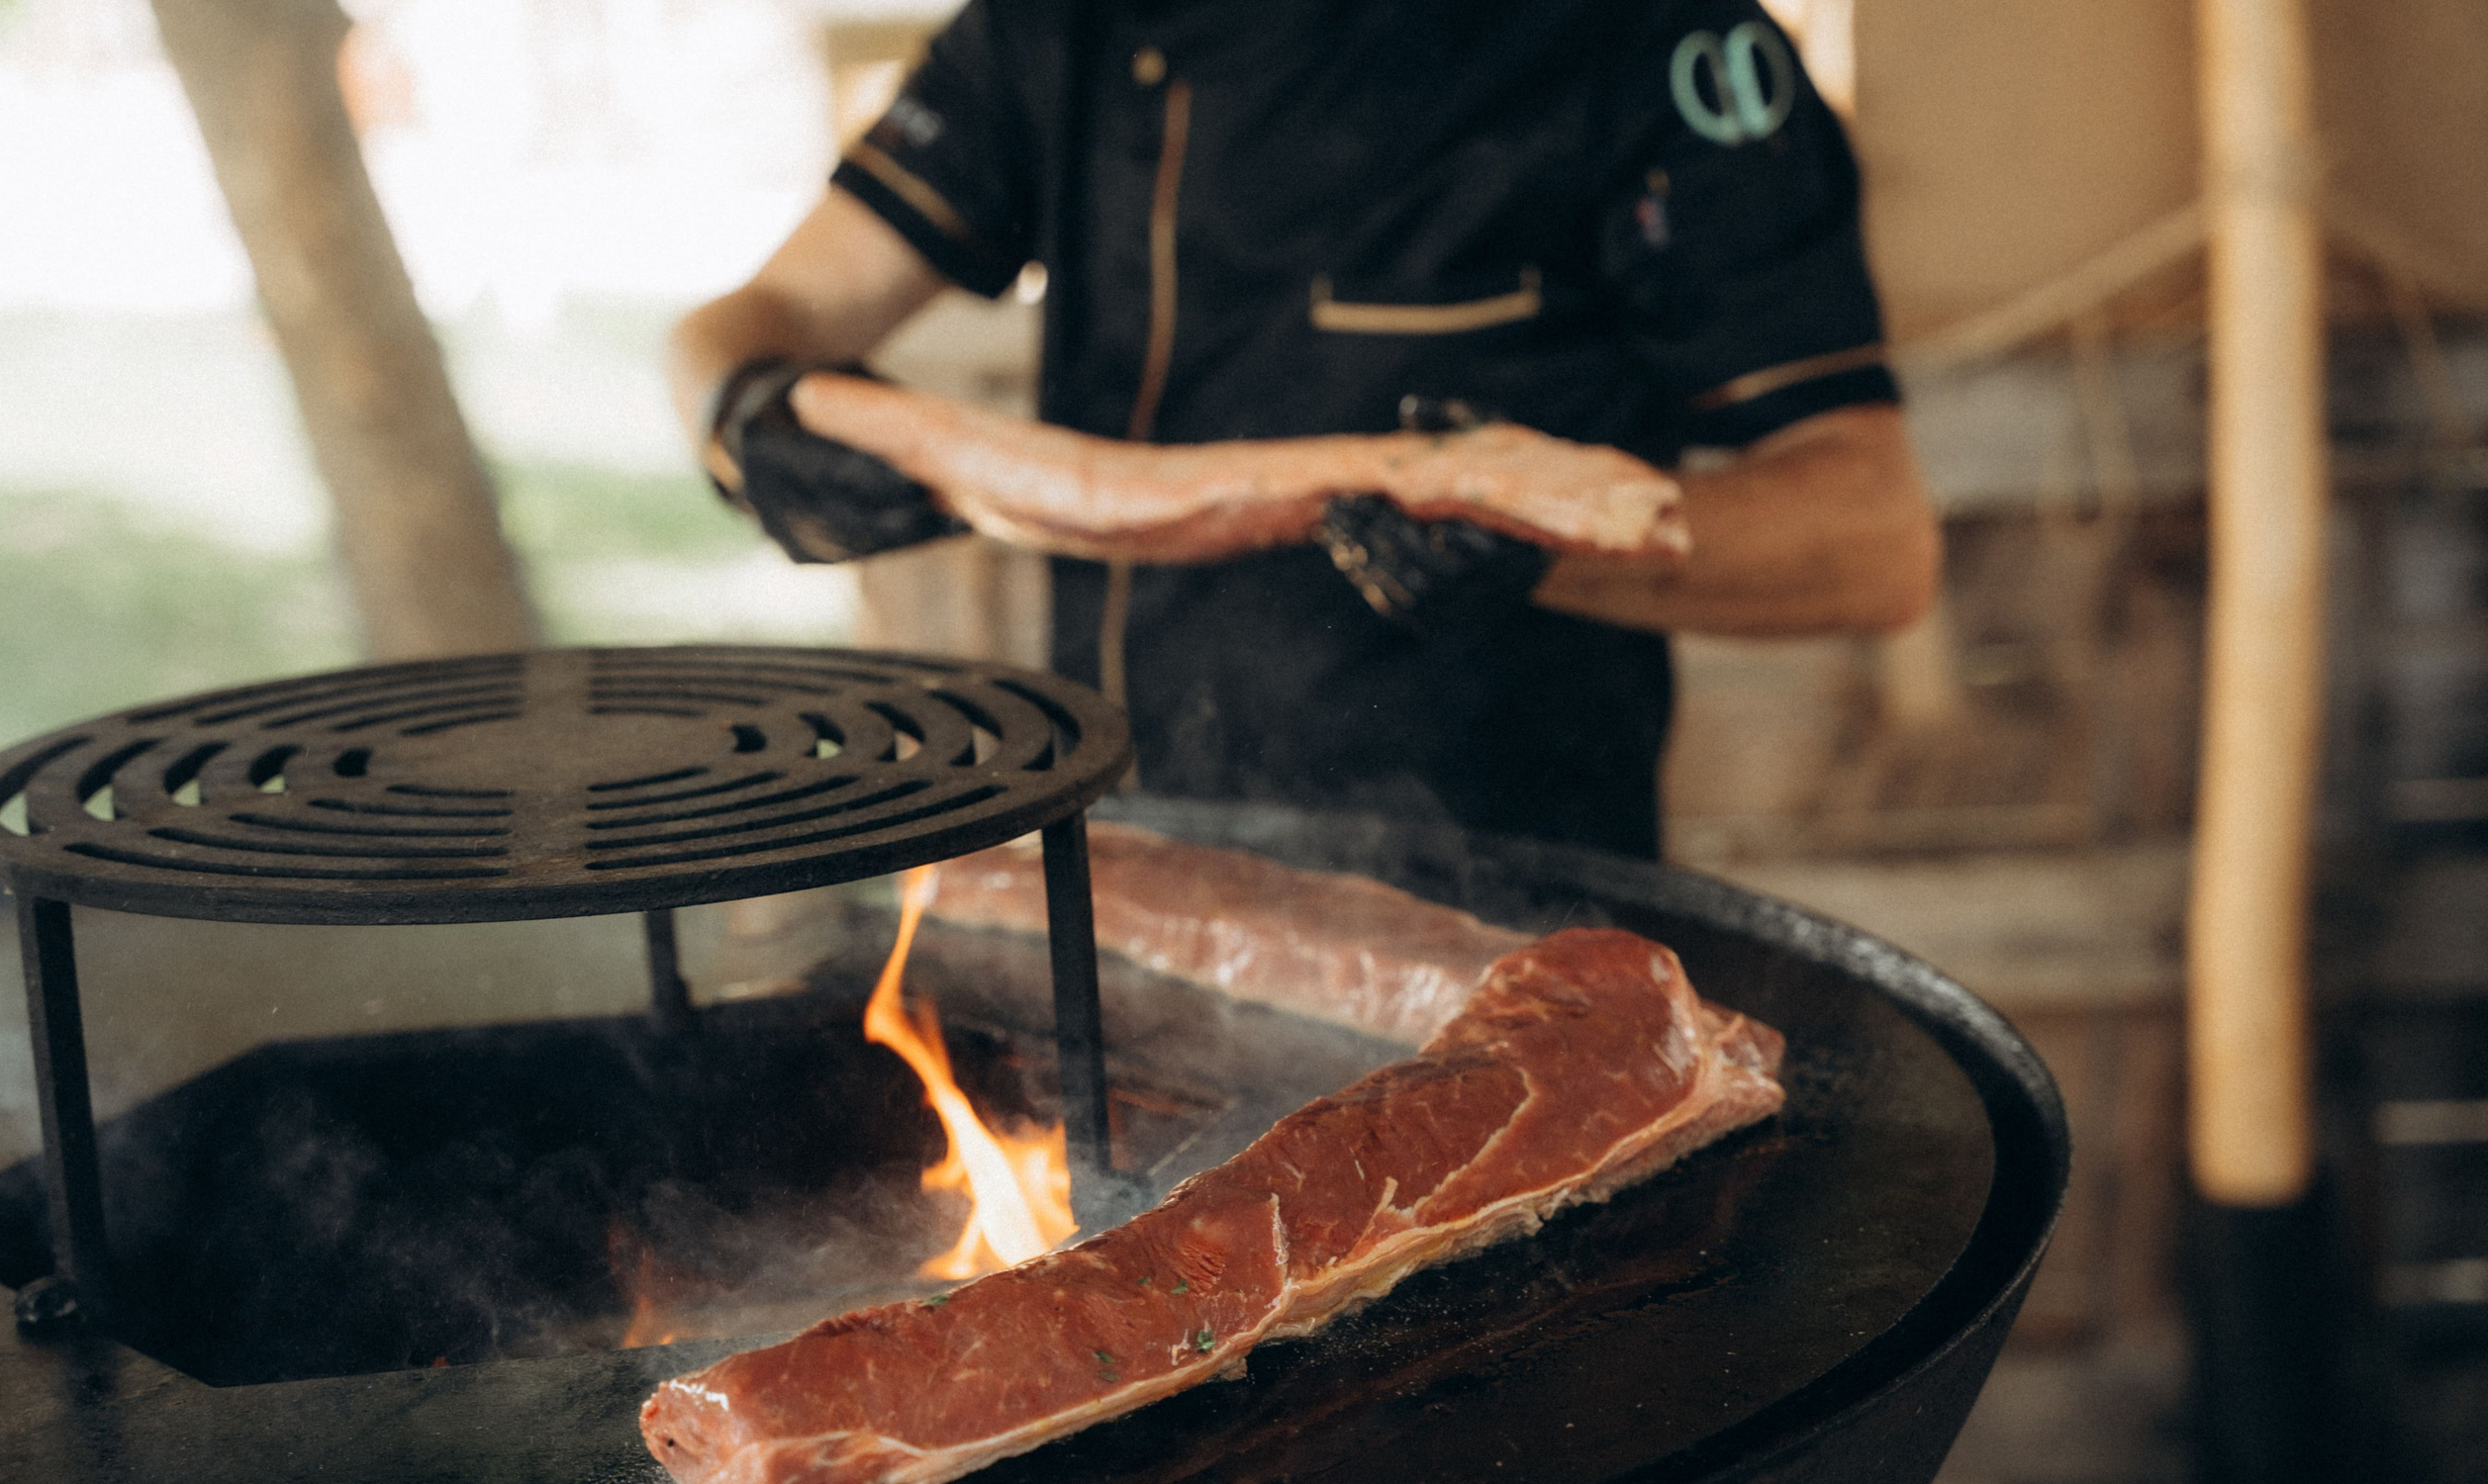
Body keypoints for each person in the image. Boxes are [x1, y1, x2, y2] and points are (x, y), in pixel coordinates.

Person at [667, 0, 1940, 859]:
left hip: (1512, 892)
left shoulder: (1662, 45)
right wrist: (736, 412)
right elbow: (765, 312)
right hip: (1126, 853)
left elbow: (1874, 538)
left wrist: (1541, 547)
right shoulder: (1062, 23)